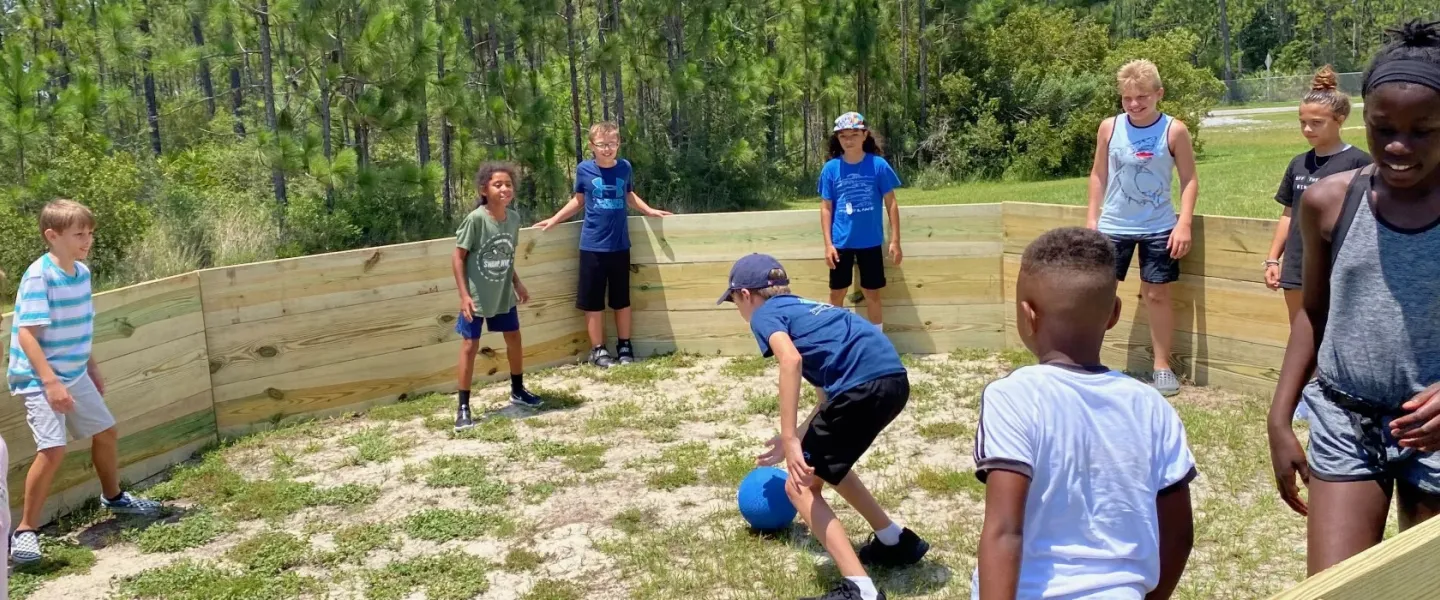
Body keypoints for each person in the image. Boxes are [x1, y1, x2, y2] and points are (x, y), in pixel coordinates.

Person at [1268, 20, 1440, 577]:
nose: (1399, 145)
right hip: (1347, 421)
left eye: (1424, 130)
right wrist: (1279, 417)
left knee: (1424, 585)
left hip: (1433, 430)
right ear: (1362, 117)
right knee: (1337, 588)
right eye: (1383, 126)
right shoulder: (1330, 202)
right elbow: (1312, 316)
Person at [973, 226, 1196, 600]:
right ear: (1114, 314)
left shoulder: (1013, 397)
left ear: (1027, 316)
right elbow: (1179, 535)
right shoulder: (1151, 406)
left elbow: (1004, 531)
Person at [721, 253, 928, 600]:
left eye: (734, 302)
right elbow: (826, 400)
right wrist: (799, 435)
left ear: (745, 294)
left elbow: (791, 361)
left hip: (862, 387)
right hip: (893, 381)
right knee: (827, 463)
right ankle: (895, 541)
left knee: (799, 487)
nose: (740, 311)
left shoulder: (765, 315)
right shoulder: (808, 309)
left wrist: (790, 441)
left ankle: (860, 590)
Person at [9, 199, 162, 565]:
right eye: (79, 233)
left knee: (106, 431)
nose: (87, 240)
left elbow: (78, 327)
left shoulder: (82, 273)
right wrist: (50, 383)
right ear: (52, 236)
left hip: (73, 373)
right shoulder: (38, 276)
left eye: (90, 233)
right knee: (53, 449)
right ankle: (25, 531)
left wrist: (89, 366)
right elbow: (27, 336)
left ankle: (113, 498)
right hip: (39, 378)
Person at [1263, 66, 1372, 423]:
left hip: (1337, 263)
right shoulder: (1298, 164)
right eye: (1302, 122)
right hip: (1297, 262)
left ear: (1340, 119)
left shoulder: (1359, 163)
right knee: (1301, 332)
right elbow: (1287, 214)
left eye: (1317, 123)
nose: (1308, 129)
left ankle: (1332, 397)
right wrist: (1272, 258)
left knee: (1331, 330)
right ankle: (1306, 397)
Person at [1086, 59, 1200, 397]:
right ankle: (1087, 361)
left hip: (1159, 227)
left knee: (1157, 294)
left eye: (1142, 97)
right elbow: (1098, 174)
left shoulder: (1174, 130)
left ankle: (1162, 366)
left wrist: (1185, 223)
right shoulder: (1109, 127)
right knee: (1099, 293)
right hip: (1112, 225)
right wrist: (1092, 219)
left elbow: (1190, 179)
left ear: (1159, 94)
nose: (1134, 105)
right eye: (1127, 98)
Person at [536, 122, 671, 368]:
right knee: (593, 301)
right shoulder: (584, 170)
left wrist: (649, 210)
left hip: (620, 246)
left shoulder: (625, 168)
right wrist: (554, 219)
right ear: (592, 146)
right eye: (601, 144)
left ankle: (625, 345)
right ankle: (598, 350)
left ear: (618, 144)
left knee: (621, 299)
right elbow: (578, 201)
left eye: (611, 144)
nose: (607, 149)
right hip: (592, 246)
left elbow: (629, 195)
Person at [452, 162, 545, 431]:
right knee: (470, 346)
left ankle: (518, 390)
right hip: (477, 297)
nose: (504, 188)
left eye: (508, 184)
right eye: (497, 184)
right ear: (484, 189)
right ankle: (463, 406)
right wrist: (464, 296)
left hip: (503, 294)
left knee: (514, 338)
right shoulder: (476, 220)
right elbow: (458, 259)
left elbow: (507, 255)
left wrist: (518, 283)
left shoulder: (513, 220)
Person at [819, 112, 903, 329]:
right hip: (840, 244)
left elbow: (891, 203)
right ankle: (834, 340)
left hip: (871, 242)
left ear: (865, 135)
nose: (849, 140)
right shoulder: (830, 169)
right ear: (837, 138)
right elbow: (826, 208)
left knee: (872, 293)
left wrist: (895, 240)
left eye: (854, 134)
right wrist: (828, 245)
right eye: (843, 136)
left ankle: (878, 342)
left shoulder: (879, 165)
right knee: (836, 292)